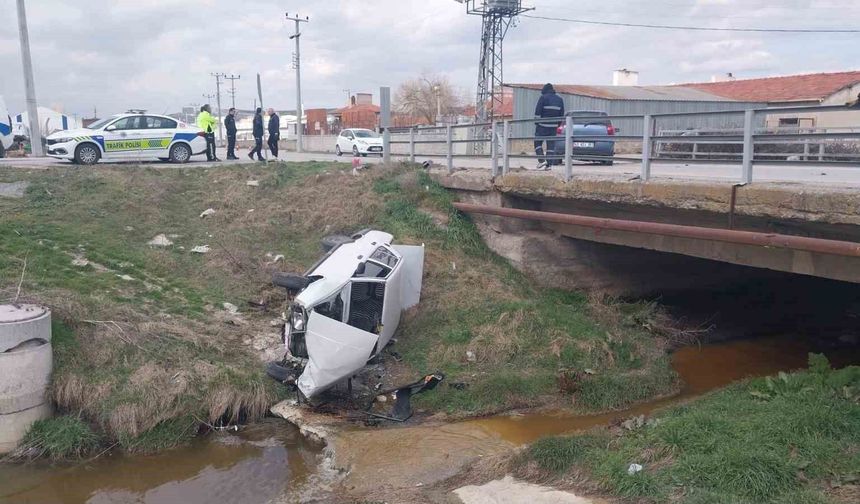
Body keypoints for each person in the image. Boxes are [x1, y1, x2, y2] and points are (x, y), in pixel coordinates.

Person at [534, 83, 565, 170]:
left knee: (537, 142)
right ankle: (549, 165)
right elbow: (561, 114)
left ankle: (541, 161)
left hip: (542, 125)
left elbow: (537, 112)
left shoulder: (543, 98)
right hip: (553, 127)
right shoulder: (559, 99)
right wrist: (557, 125)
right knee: (550, 147)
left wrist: (537, 123)